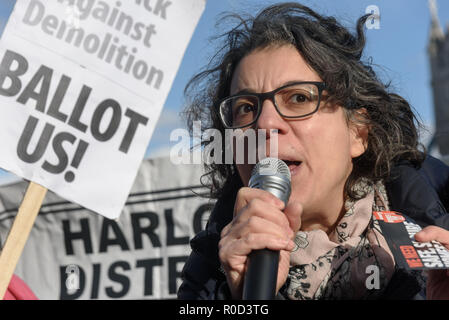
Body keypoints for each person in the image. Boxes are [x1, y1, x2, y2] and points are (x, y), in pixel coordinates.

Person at [178, 2, 449, 300]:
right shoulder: (206, 280)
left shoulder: (441, 206)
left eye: (297, 98)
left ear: (358, 133)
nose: (265, 123)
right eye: (245, 108)